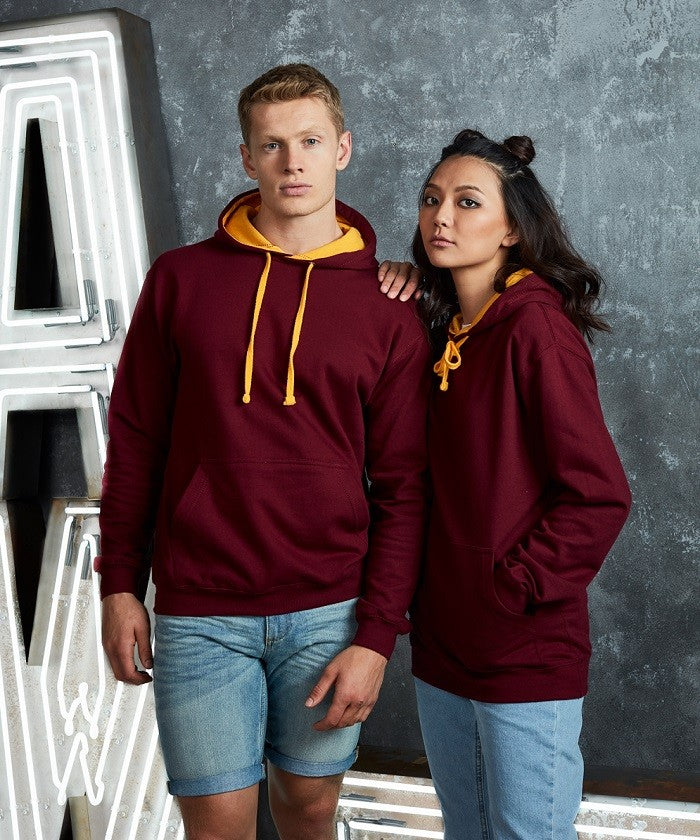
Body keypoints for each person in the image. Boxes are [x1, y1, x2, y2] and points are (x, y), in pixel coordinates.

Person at [95, 63, 431, 840]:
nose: (293, 162)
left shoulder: (387, 306)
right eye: (272, 145)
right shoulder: (181, 280)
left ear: (342, 148)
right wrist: (119, 584)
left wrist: (377, 637)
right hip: (200, 607)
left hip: (329, 608)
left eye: (310, 141)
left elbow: (405, 488)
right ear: (247, 158)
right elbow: (137, 440)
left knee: (309, 811)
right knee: (217, 826)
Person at [385, 129, 631, 839]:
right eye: (431, 199)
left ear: (513, 230)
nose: (441, 217)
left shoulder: (536, 331)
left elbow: (599, 495)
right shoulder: (443, 327)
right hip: (442, 647)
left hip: (521, 648)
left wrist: (510, 590)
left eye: (467, 202)